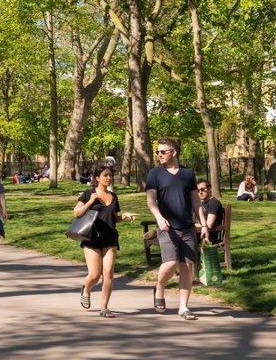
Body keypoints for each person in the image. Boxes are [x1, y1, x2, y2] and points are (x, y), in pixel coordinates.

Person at [146, 137, 206, 320]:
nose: (159, 154)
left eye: (163, 151)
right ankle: (160, 287)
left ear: (174, 152)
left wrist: (203, 224)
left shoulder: (187, 174)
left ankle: (183, 307)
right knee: (170, 263)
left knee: (187, 266)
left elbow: (195, 201)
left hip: (187, 227)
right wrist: (160, 219)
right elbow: (151, 201)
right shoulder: (155, 174)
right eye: (158, 151)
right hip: (166, 227)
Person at [73, 165, 137, 317]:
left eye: (110, 175)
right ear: (97, 178)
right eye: (105, 175)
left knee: (108, 273)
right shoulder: (88, 193)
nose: (109, 178)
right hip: (92, 238)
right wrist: (90, 202)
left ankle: (104, 308)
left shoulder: (114, 197)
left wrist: (124, 216)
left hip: (110, 238)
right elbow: (76, 213)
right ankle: (86, 289)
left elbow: (113, 218)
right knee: (95, 275)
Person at [198, 180, 226, 245]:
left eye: (202, 189)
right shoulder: (203, 203)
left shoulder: (213, 203)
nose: (200, 192)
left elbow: (209, 225)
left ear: (209, 188)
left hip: (210, 237)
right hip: (200, 233)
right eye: (198, 190)